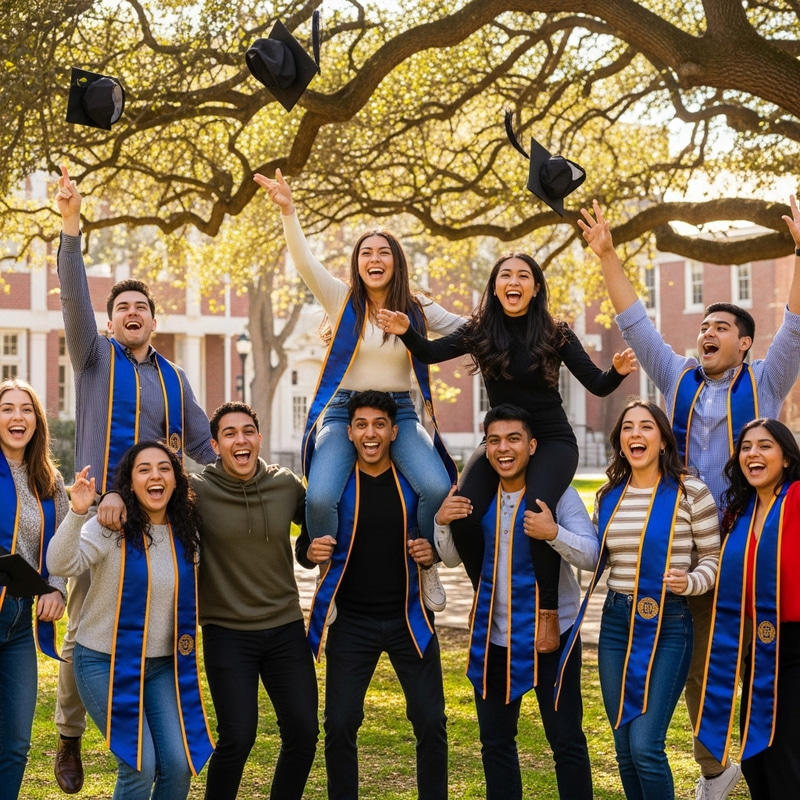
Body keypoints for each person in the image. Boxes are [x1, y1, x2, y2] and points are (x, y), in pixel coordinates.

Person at [580, 196, 800, 799]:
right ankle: (714, 769)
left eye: (721, 328)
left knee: (730, 667)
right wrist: (606, 256)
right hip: (675, 548)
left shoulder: (767, 380)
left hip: (742, 548)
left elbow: (796, 324)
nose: (707, 333)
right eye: (703, 327)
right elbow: (637, 322)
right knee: (683, 665)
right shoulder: (676, 377)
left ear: (746, 343)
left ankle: (730, 764)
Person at [379, 252, 636, 652]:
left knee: (537, 513)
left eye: (522, 276)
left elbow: (598, 384)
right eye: (505, 275)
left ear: (535, 289)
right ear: (495, 287)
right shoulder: (479, 331)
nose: (513, 282)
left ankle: (547, 612)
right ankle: (487, 597)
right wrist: (408, 330)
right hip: (499, 438)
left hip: (551, 438)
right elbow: (428, 354)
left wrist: (617, 371)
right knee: (462, 510)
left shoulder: (557, 333)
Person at [53, 166, 216, 793]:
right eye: (120, 307)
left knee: (152, 615)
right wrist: (72, 226)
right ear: (112, 320)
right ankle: (70, 737)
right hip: (102, 510)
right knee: (86, 621)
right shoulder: (94, 358)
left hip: (159, 514)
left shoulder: (175, 379)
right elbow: (72, 297)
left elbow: (204, 444)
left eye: (139, 307)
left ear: (153, 319)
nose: (129, 314)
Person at [254, 169, 464, 610]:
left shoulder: (418, 307)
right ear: (357, 262)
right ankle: (330, 575)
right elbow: (305, 263)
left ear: (395, 262)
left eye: (383, 252)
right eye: (366, 251)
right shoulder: (342, 300)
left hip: (400, 412)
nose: (374, 258)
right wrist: (288, 212)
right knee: (323, 494)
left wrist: (520, 321)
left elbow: (470, 330)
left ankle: (424, 565)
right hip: (343, 410)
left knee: (436, 485)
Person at [433, 404, 597, 800]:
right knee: (495, 742)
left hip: (552, 636)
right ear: (485, 447)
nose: (503, 449)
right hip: (495, 636)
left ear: (533, 445)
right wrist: (442, 522)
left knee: (566, 742)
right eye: (494, 440)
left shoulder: (560, 496)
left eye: (513, 439)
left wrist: (553, 532)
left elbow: (592, 556)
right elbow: (452, 558)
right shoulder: (477, 498)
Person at [296, 390, 447, 800]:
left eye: (379, 425)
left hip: (410, 619)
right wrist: (309, 553)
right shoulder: (334, 485)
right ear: (349, 433)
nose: (370, 433)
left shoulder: (414, 485)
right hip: (351, 624)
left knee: (431, 721)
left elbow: (444, 537)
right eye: (361, 425)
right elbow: (306, 544)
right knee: (340, 723)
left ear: (394, 431)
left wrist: (431, 551)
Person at [47, 442, 213, 800]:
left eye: (164, 468)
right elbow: (60, 565)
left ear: (176, 479)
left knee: (179, 764)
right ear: (130, 483)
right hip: (103, 663)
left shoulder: (187, 534)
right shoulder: (110, 528)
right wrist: (77, 513)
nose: (155, 475)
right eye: (144, 469)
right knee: (139, 765)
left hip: (162, 667)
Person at [575, 400, 719, 799]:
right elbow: (595, 557)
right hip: (616, 621)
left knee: (645, 745)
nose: (635, 434)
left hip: (670, 622)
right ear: (620, 442)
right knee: (623, 747)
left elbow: (713, 558)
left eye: (646, 427)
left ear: (662, 441)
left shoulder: (692, 491)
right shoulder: (608, 496)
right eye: (627, 428)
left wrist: (690, 582)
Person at [191, 402, 318, 799]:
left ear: (259, 438)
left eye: (248, 431)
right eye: (229, 434)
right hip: (227, 632)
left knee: (303, 732)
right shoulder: (197, 491)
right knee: (238, 738)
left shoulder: (285, 485)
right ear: (215, 444)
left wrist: (311, 552)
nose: (240, 440)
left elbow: (311, 538)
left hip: (284, 627)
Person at [696, 418, 800, 798]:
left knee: (786, 759)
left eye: (765, 446)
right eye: (746, 447)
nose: (753, 454)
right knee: (756, 758)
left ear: (787, 458)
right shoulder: (737, 515)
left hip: (796, 647)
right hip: (755, 651)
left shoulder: (798, 499)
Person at [0, 379, 68, 800]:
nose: (17, 417)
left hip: (20, 623)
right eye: (7, 408)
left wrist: (56, 588)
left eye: (26, 409)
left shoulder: (49, 481)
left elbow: (63, 543)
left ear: (37, 421)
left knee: (16, 743)